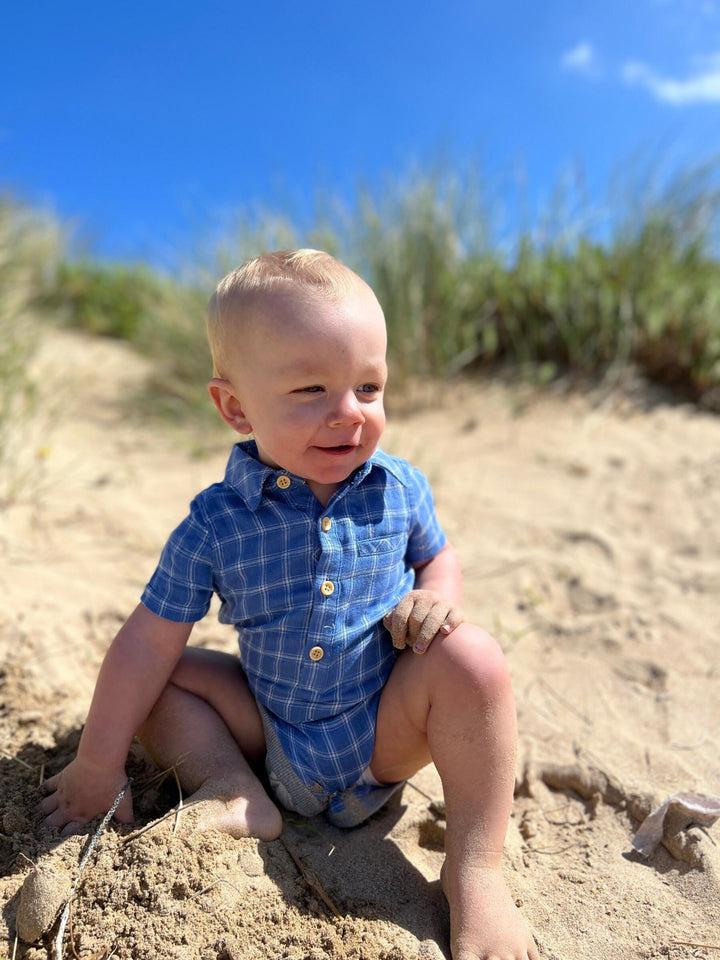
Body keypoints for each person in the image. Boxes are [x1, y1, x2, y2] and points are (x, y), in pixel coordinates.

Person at [39, 250, 539, 960]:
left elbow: (439, 556)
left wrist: (436, 596)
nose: (349, 413)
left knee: (474, 658)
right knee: (155, 669)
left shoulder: (398, 487)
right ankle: (231, 787)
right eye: (311, 389)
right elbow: (146, 642)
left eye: (368, 386)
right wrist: (97, 763)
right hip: (268, 732)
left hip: (383, 733)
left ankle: (476, 873)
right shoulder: (216, 522)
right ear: (235, 407)